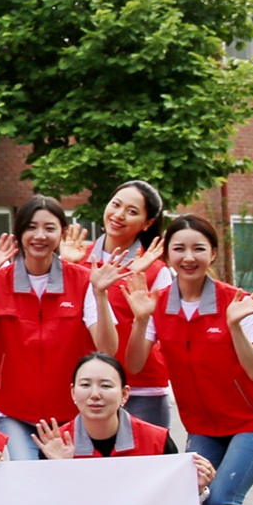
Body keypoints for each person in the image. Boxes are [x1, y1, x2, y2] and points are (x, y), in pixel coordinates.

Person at [125, 214, 253, 505]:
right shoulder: (158, 304)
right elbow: (133, 365)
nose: (188, 257)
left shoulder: (238, 302)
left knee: (222, 503)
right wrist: (139, 320)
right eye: (179, 248)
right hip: (203, 426)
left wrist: (234, 326)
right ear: (167, 255)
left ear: (212, 253)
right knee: (193, 504)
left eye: (198, 248)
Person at [0, 196, 122, 461]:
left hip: (73, 414)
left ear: (62, 233)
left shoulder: (83, 281)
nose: (40, 236)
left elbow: (108, 348)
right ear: (20, 232)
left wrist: (101, 295)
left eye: (49, 228)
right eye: (31, 227)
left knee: (69, 488)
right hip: (14, 412)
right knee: (27, 482)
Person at [75, 180, 174, 429]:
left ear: (147, 223)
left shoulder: (155, 270)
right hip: (91, 386)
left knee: (146, 463)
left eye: (132, 211)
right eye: (115, 205)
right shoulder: (77, 259)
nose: (119, 215)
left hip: (143, 387)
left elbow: (161, 330)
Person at [34, 353, 209, 472]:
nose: (95, 395)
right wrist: (60, 469)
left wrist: (199, 489)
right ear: (73, 392)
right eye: (85, 385)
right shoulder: (55, 445)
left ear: (124, 394)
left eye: (106, 386)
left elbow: (174, 500)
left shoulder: (157, 440)